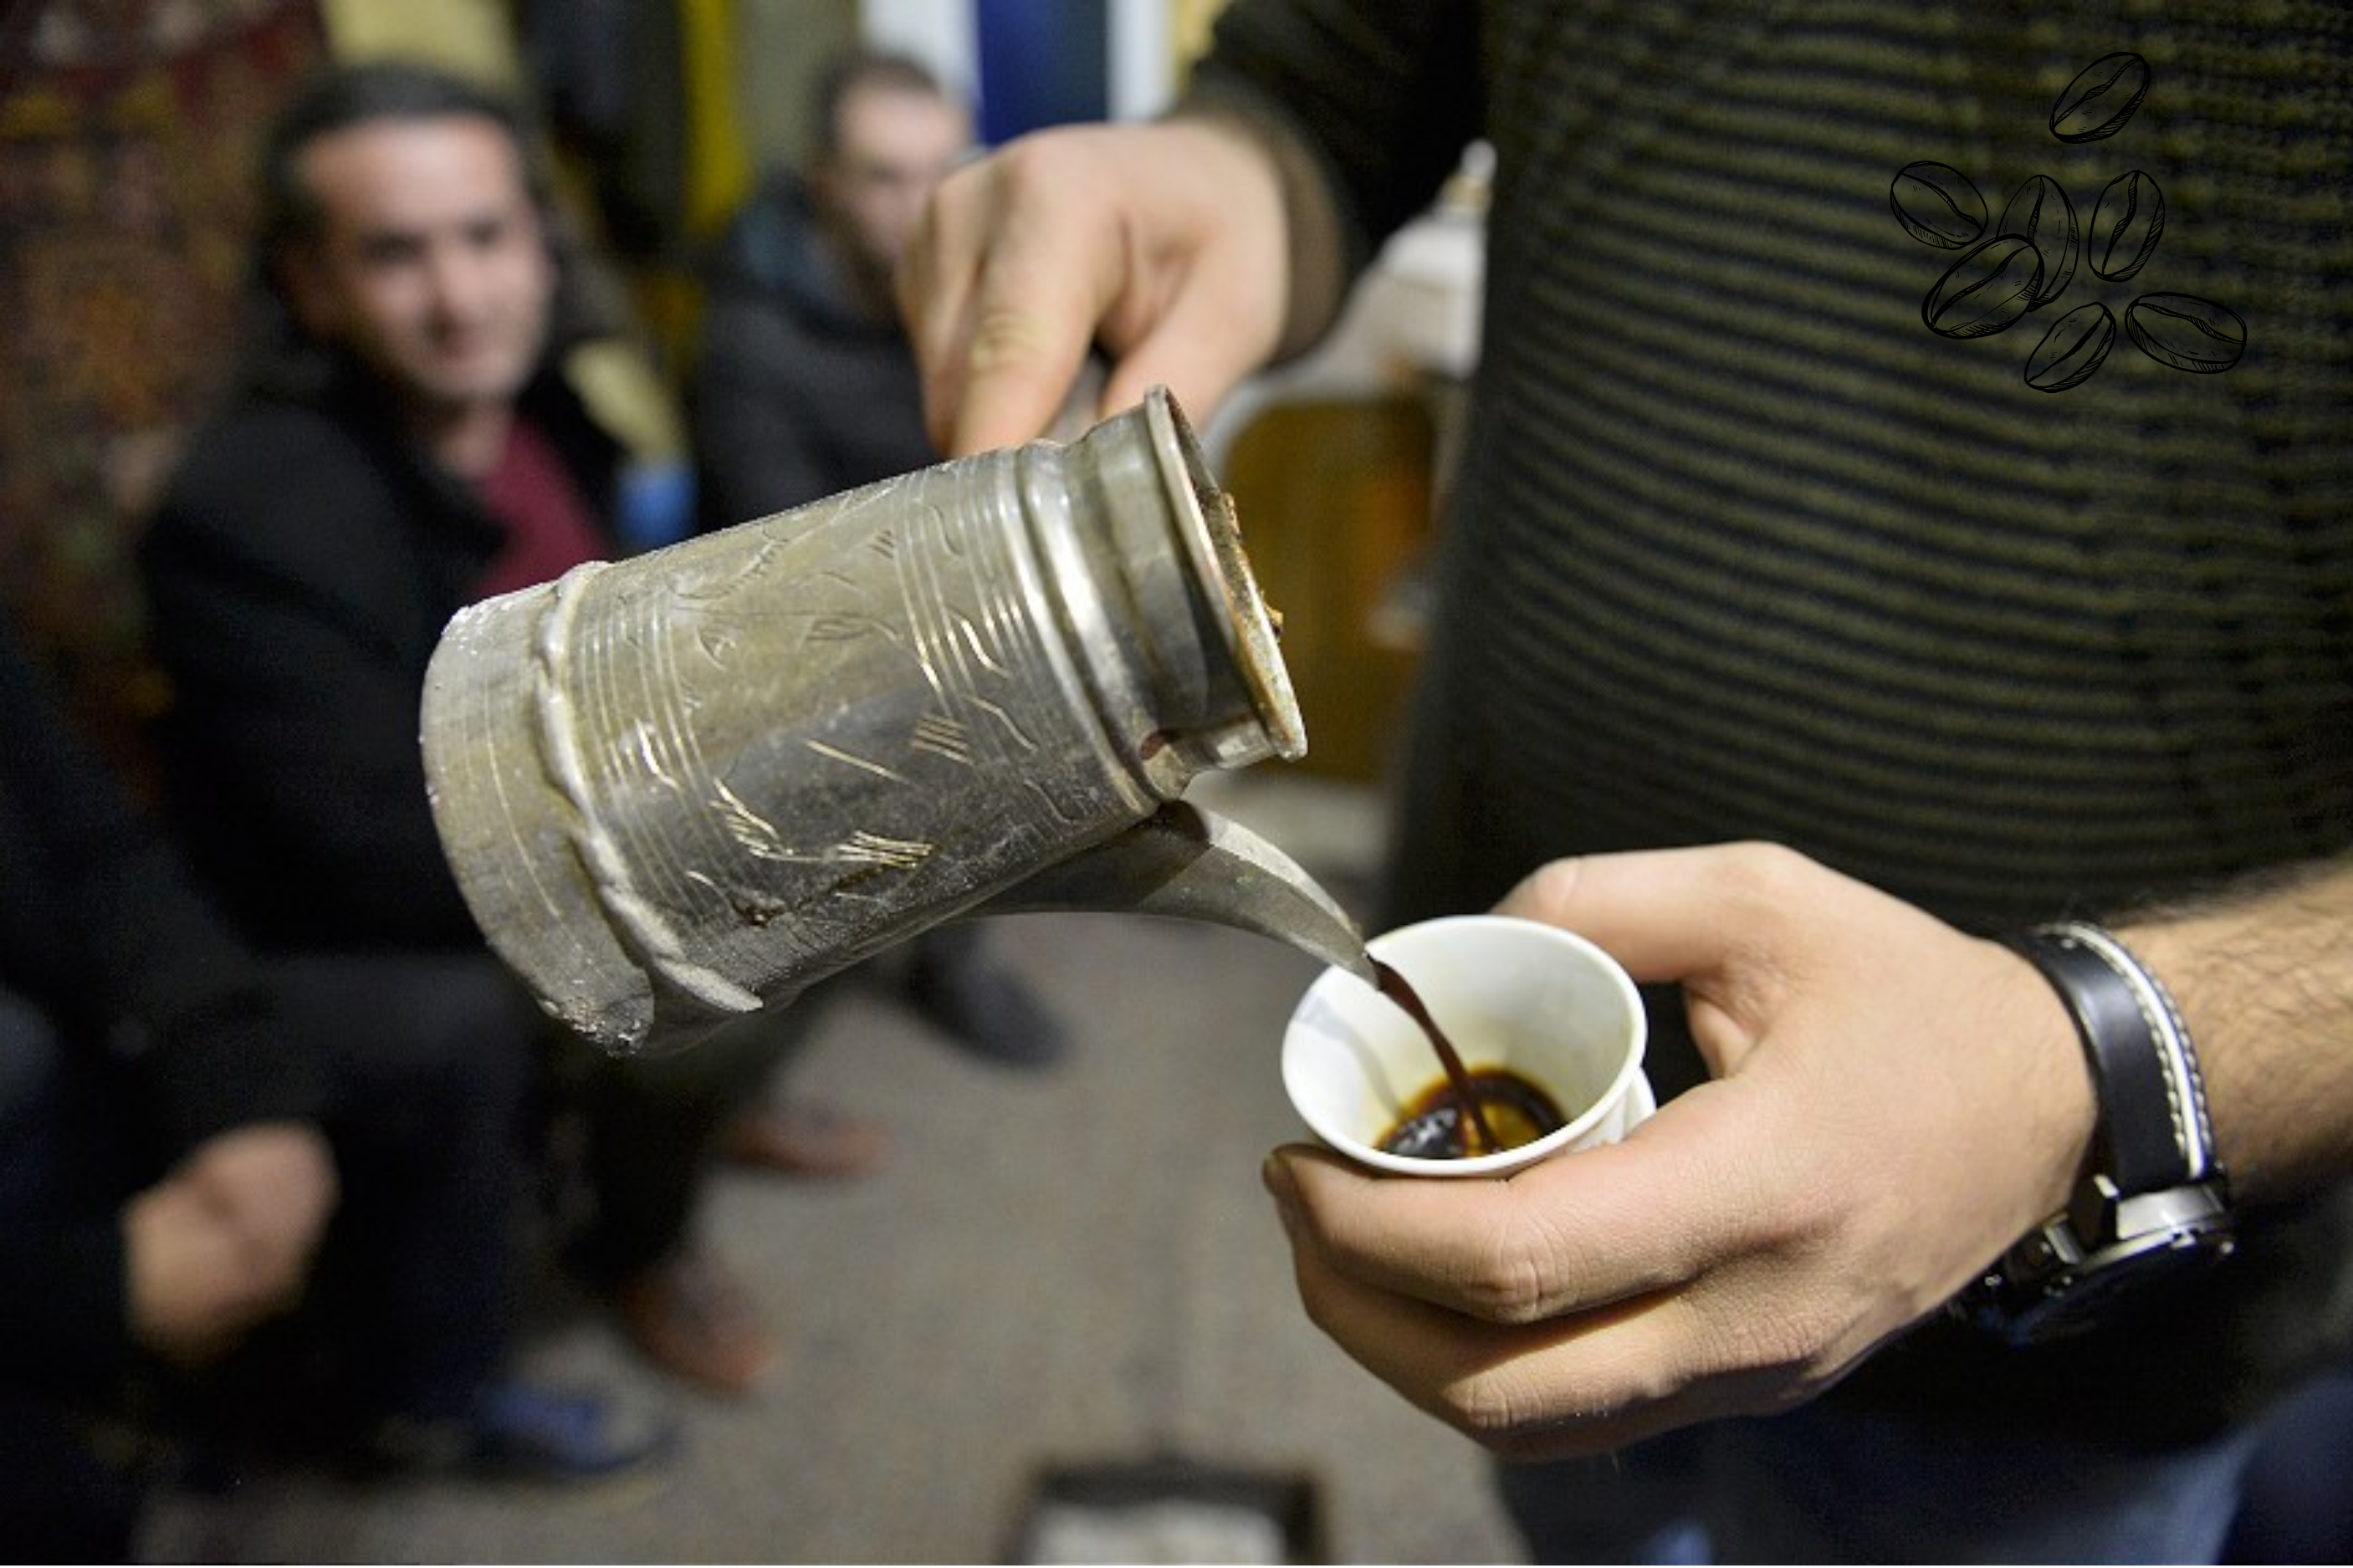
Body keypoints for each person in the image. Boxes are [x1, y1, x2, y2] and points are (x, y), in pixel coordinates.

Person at [896, 1, 2353, 1560]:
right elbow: (1333, 82)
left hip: (2065, 1317)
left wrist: (2097, 1066)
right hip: (1514, 1047)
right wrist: (1227, 167)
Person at [138, 58, 816, 1398]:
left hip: (566, 822)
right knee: (729, 989)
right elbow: (374, 851)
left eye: (485, 237)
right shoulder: (251, 511)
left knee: (876, 839)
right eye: (396, 255)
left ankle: (685, 1125)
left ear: (537, 243)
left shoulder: (558, 416)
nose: (460, 299)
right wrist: (695, 861)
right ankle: (639, 1232)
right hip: (391, 917)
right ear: (312, 284)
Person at [0, 609, 664, 1555]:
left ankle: (428, 1397)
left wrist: (237, 1096)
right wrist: (85, 1291)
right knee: (64, 1511)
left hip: (67, 1062)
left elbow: (96, 853)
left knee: (453, 1033)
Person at [688, 46, 1068, 1070]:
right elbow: (783, 569)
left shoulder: (975, 290)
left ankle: (953, 940)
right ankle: (928, 954)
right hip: (793, 634)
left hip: (936, 574)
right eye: (885, 177)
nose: (924, 207)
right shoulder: (752, 344)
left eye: (945, 172)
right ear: (823, 183)